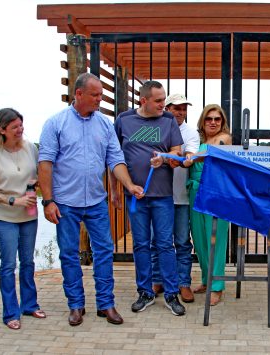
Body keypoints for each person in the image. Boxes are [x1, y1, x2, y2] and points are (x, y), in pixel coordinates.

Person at [38, 73, 144, 326]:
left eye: (101, 95)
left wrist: (128, 184)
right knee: (69, 254)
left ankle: (106, 304)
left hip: (96, 201)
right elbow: (45, 164)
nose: (100, 99)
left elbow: (115, 160)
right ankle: (76, 305)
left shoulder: (105, 125)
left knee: (105, 251)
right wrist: (48, 201)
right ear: (79, 94)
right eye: (95, 95)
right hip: (64, 202)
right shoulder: (56, 123)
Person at [113, 80, 186, 316]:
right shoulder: (124, 120)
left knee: (165, 244)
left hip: (162, 195)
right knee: (141, 245)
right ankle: (144, 292)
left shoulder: (168, 121)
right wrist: (116, 189)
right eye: (158, 101)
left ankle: (171, 294)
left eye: (164, 99)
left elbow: (178, 152)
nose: (163, 105)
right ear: (143, 100)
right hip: (135, 196)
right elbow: (114, 157)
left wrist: (164, 158)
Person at [0, 108, 45, 330]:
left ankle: (30, 304)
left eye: (21, 125)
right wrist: (11, 200)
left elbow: (38, 174)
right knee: (8, 264)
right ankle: (10, 313)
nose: (20, 130)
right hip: (2, 216)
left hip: (28, 215)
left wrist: (35, 185)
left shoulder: (30, 148)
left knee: (28, 261)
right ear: (2, 129)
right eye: (14, 127)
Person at [150, 94, 200, 303]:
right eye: (176, 108)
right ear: (167, 108)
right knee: (157, 241)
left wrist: (184, 161)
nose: (180, 112)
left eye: (183, 109)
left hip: (181, 197)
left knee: (181, 241)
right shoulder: (155, 127)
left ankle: (183, 283)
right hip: (158, 194)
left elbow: (190, 154)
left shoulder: (191, 132)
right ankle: (157, 279)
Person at [186, 104, 232, 306]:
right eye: (209, 119)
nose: (213, 122)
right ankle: (206, 280)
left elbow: (215, 153)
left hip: (215, 193)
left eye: (217, 119)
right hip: (195, 191)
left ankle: (217, 286)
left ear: (222, 122)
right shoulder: (198, 140)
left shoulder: (224, 138)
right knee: (200, 239)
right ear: (202, 121)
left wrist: (193, 157)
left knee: (216, 239)